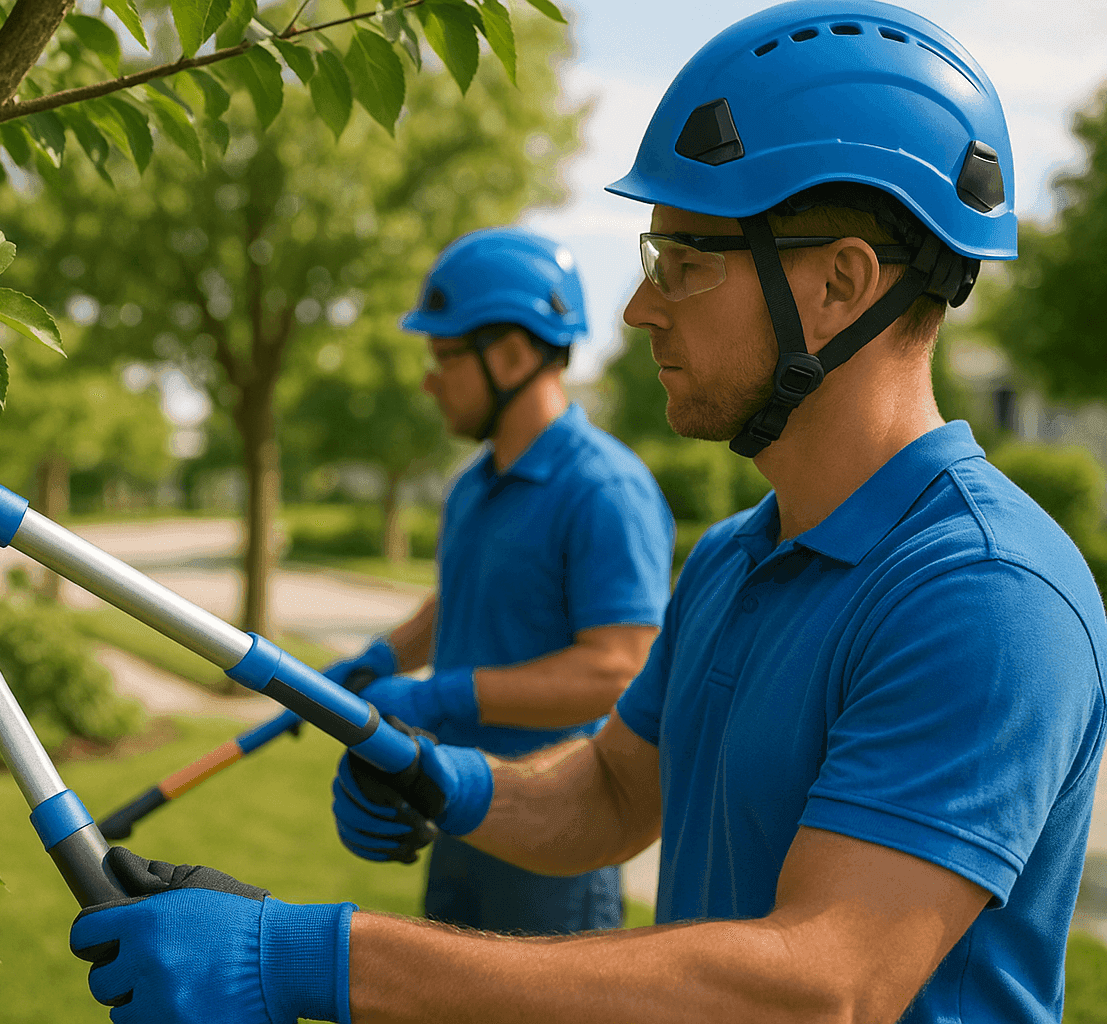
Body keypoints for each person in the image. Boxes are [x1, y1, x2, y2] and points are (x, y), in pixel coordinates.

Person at [66, 4, 1107, 1023]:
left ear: (840, 284)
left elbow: (820, 986)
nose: (636, 309)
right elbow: (613, 789)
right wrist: (443, 780)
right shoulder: (735, 559)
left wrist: (318, 959)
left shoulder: (984, 595)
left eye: (685, 263)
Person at [318, 224, 674, 936]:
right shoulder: (472, 488)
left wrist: (443, 698)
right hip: (460, 814)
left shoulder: (604, 489)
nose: (428, 379)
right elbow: (465, 595)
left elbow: (619, 668)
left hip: (557, 837)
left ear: (511, 353)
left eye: (444, 355)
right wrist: (381, 660)